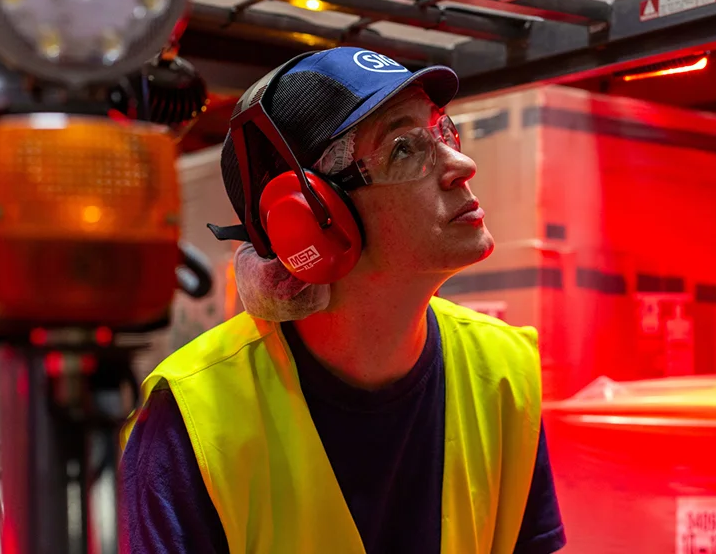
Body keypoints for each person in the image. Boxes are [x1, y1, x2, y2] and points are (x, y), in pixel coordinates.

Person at [118, 46, 567, 554]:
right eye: (405, 148)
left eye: (444, 132)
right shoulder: (191, 418)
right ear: (311, 216)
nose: (462, 164)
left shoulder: (504, 371)